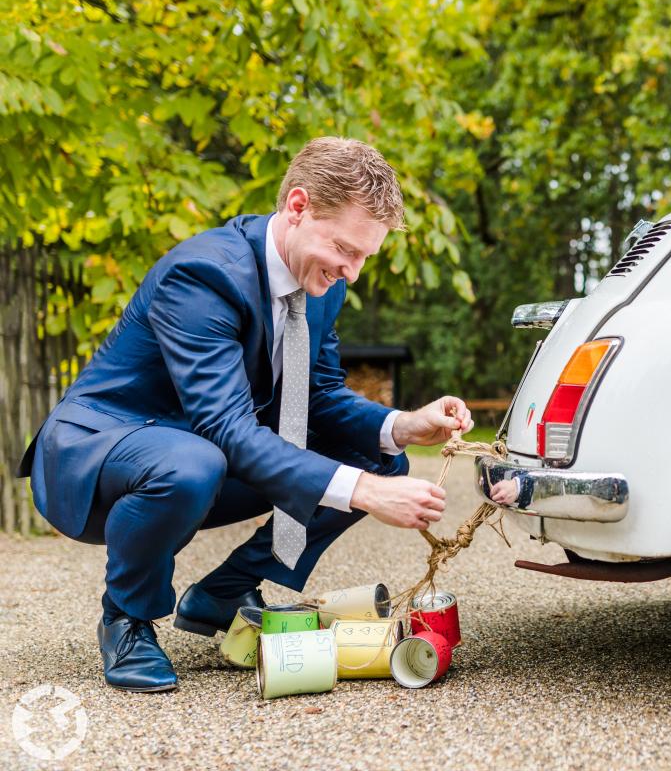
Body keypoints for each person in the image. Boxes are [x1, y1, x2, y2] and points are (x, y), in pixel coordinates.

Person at [17, 137, 473, 693]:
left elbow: (320, 397)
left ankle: (224, 592)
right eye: (345, 250)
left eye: (363, 257)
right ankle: (127, 619)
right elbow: (227, 428)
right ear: (298, 207)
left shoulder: (321, 286)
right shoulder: (203, 275)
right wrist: (363, 494)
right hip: (94, 457)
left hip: (194, 451)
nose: (351, 272)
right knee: (199, 462)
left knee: (377, 460)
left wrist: (403, 426)